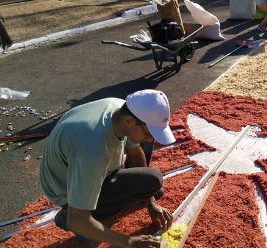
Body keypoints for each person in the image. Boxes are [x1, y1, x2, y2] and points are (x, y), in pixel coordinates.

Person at [40, 89, 176, 247]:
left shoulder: (121, 109)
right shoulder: (93, 150)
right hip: (65, 191)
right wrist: (130, 242)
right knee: (90, 236)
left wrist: (150, 201)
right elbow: (78, 221)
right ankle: (66, 214)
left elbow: (134, 150)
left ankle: (94, 207)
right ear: (129, 121)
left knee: (152, 187)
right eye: (148, 133)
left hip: (88, 166)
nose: (151, 138)